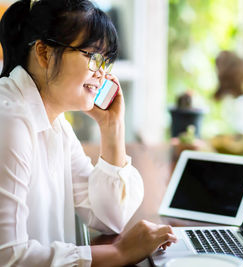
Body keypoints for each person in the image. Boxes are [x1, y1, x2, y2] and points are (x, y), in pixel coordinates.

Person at [0, 0, 177, 266]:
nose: (102, 73)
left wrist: (112, 127)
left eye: (106, 61)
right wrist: (119, 253)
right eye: (93, 57)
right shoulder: (10, 121)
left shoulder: (56, 125)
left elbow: (109, 217)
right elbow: (8, 256)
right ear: (44, 54)